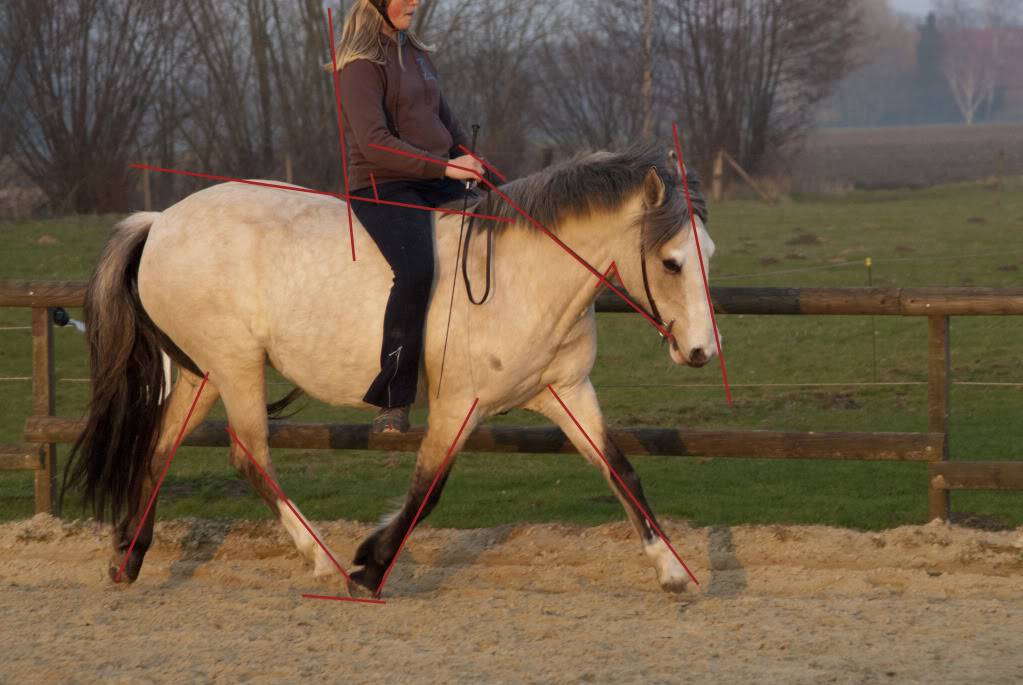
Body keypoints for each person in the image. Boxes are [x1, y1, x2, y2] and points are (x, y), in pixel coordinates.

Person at [329, 0, 484, 433]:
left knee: (496, 237)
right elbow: (375, 143)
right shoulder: (360, 65)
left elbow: (445, 121)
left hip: (435, 177)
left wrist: (467, 157)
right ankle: (394, 398)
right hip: (383, 185)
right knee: (416, 271)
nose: (414, 1)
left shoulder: (415, 53)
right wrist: (446, 167)